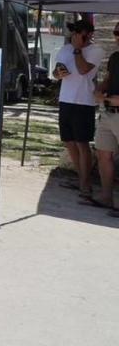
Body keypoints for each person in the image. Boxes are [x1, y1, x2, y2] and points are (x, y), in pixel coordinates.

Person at [52, 18, 105, 199]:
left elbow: (83, 70)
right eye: (75, 34)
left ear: (89, 35)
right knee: (68, 141)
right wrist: (58, 73)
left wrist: (77, 49)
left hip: (84, 102)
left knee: (82, 143)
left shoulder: (96, 50)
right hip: (65, 100)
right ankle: (80, 177)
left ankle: (86, 184)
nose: (76, 38)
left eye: (80, 35)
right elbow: (56, 72)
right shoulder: (65, 49)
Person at [91, 21, 119, 213]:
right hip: (108, 113)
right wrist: (100, 90)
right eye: (116, 32)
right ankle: (107, 197)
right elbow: (108, 79)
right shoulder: (115, 57)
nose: (117, 36)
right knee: (103, 154)